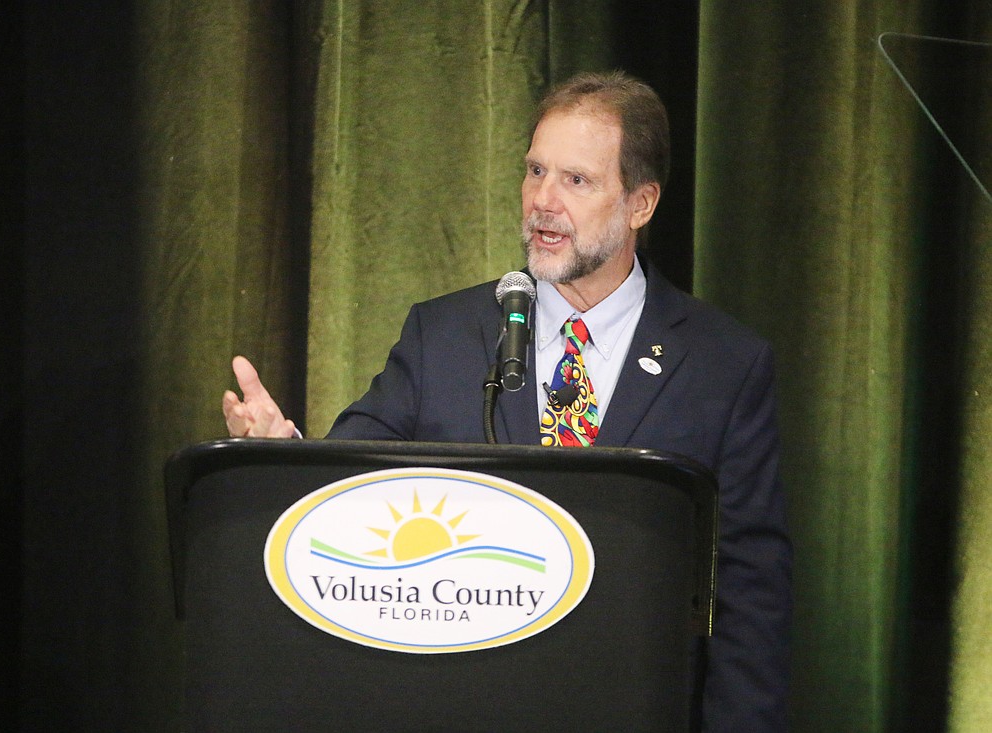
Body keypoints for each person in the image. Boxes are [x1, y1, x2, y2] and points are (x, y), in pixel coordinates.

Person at [223, 70, 791, 732]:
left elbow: (750, 597)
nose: (543, 200)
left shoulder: (724, 364)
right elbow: (354, 484)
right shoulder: (444, 335)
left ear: (640, 202)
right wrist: (282, 455)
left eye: (575, 180)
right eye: (534, 171)